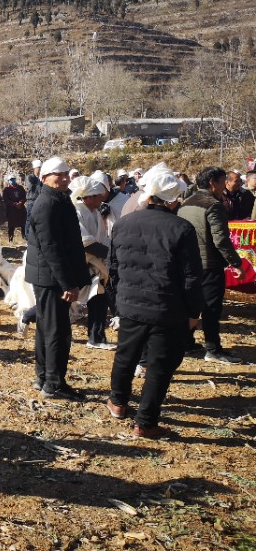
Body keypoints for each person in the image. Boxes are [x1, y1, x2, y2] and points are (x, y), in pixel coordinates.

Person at [108, 171, 204, 438]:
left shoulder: (123, 223)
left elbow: (113, 268)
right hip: (167, 308)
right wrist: (194, 312)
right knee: (159, 366)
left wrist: (117, 302)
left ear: (148, 195)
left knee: (126, 356)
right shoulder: (182, 229)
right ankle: (145, 422)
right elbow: (192, 277)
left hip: (130, 304)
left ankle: (117, 402)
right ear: (174, 201)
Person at [25, 157, 91, 400]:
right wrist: (67, 283)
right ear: (44, 178)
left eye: (65, 173)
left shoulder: (57, 199)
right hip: (51, 278)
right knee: (57, 330)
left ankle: (43, 375)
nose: (63, 178)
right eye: (57, 174)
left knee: (47, 326)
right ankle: (53, 382)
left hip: (49, 275)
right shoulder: (47, 205)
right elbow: (52, 248)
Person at [178, 167, 244, 364]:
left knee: (190, 305)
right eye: (223, 181)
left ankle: (186, 343)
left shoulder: (186, 203)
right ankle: (213, 348)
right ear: (213, 183)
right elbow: (221, 240)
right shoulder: (213, 205)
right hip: (209, 264)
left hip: (189, 263)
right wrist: (236, 263)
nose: (225, 185)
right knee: (211, 308)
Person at [69, 176, 114, 350]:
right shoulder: (76, 212)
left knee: (99, 300)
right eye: (97, 197)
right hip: (81, 263)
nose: (101, 200)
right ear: (88, 197)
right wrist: (107, 253)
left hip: (95, 265)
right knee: (61, 302)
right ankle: (28, 315)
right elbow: (84, 241)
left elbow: (102, 238)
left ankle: (96, 337)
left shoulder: (95, 213)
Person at [2, 174, 27, 242]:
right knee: (11, 226)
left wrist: (20, 203)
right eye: (11, 180)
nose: (12, 181)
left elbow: (24, 197)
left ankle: (24, 238)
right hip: (11, 210)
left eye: (13, 179)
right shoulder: (6, 189)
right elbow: (5, 200)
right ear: (8, 181)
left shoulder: (20, 188)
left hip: (20, 209)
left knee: (23, 225)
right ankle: (11, 239)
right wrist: (14, 204)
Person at [24, 159, 43, 238]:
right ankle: (27, 235)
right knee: (30, 219)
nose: (39, 169)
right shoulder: (29, 177)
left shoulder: (41, 178)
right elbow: (31, 187)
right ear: (35, 168)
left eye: (40, 168)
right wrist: (39, 183)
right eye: (38, 168)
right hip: (31, 201)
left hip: (39, 201)